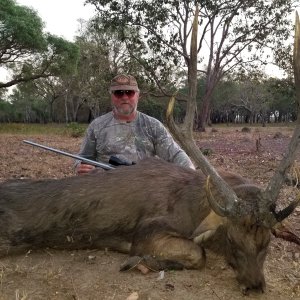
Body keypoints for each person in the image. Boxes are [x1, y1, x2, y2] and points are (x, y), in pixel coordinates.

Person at [76, 74, 195, 175]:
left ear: (138, 95)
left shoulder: (153, 126)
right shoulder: (97, 126)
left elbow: (176, 155)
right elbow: (83, 159)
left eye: (129, 92)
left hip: (142, 190)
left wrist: (191, 175)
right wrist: (80, 167)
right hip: (105, 190)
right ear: (111, 96)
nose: (124, 97)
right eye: (118, 93)